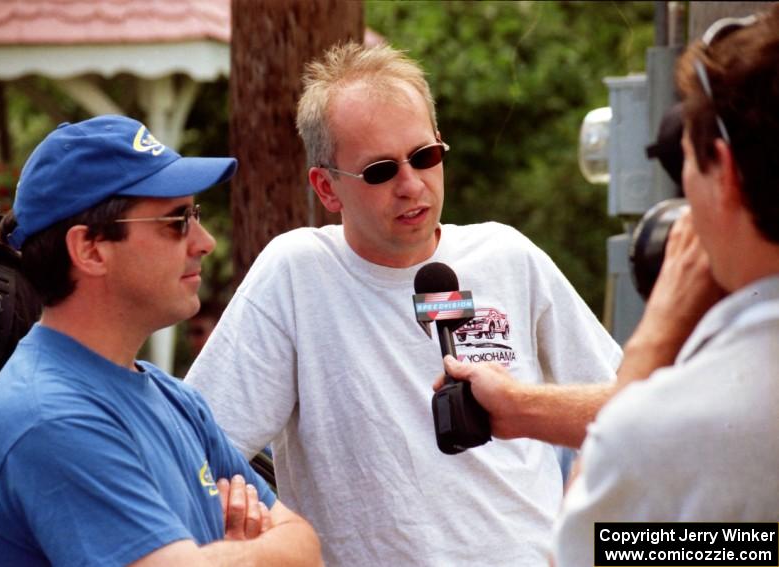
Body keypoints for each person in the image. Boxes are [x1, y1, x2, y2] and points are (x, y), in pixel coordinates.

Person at [186, 43, 622, 566]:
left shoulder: (508, 253)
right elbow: (195, 449)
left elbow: (627, 411)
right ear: (327, 188)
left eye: (424, 157)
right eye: (379, 171)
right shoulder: (297, 272)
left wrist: (582, 535)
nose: (412, 184)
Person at [0, 115, 322, 567]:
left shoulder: (175, 399)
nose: (204, 242)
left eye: (196, 215)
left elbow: (305, 543)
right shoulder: (48, 417)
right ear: (90, 249)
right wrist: (252, 553)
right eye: (176, 221)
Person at [552, 10, 779, 564]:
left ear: (723, 171)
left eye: (687, 168)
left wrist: (654, 340)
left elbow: (583, 550)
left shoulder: (663, 431)